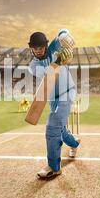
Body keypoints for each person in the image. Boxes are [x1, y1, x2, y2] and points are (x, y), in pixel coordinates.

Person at [27, 29, 81, 179]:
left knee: (52, 125)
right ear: (31, 49)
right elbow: (49, 73)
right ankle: (75, 143)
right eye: (35, 48)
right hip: (52, 98)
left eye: (41, 47)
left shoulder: (53, 48)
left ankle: (54, 167)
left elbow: (62, 34)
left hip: (67, 91)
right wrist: (59, 61)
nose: (39, 51)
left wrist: (65, 36)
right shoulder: (33, 66)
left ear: (45, 46)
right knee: (61, 130)